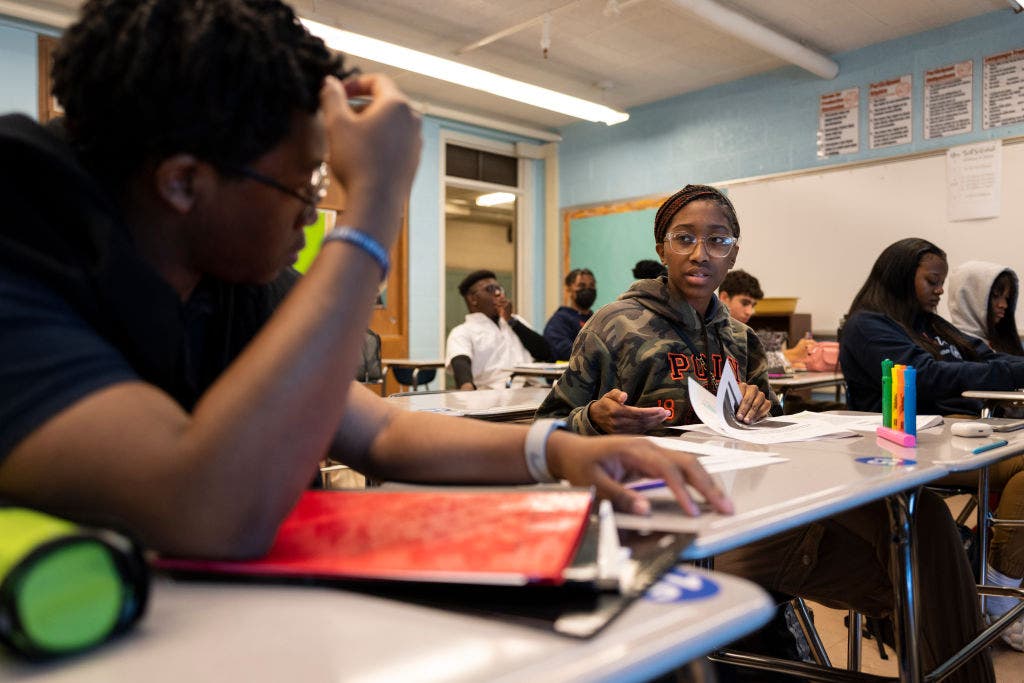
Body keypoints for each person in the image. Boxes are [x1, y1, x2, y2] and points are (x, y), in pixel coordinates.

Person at [0, 0, 733, 564]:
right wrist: (373, 207)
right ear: (184, 183)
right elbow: (204, 509)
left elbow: (373, 427)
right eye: (304, 182)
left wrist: (558, 450)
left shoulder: (225, 269)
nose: (311, 211)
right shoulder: (17, 236)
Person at [537, 187, 994, 680]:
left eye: (717, 240)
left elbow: (765, 423)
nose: (700, 253)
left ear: (734, 252)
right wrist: (596, 420)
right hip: (675, 529)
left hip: (757, 510)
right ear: (661, 247)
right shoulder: (615, 326)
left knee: (919, 523)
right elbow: (546, 431)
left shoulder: (739, 336)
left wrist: (763, 406)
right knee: (913, 575)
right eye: (684, 238)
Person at [840, 239, 1024, 649]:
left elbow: (981, 358)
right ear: (902, 278)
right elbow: (928, 375)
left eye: (941, 282)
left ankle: (1000, 582)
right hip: (904, 447)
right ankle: (1000, 594)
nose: (940, 290)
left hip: (949, 436)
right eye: (932, 281)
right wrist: (1005, 373)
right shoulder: (867, 326)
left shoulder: (928, 324)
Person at [446, 269, 552, 390]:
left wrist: (511, 321)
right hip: (491, 396)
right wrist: (467, 400)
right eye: (490, 289)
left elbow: (544, 352)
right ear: (473, 299)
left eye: (499, 289)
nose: (498, 294)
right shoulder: (462, 332)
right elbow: (462, 372)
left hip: (531, 389)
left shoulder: (515, 322)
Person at [719, 269, 816, 370]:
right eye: (745, 303)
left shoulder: (743, 333)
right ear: (724, 297)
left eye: (753, 305)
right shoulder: (710, 328)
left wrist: (789, 363)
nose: (750, 311)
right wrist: (793, 355)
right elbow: (741, 363)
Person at [949, 261, 1024, 356]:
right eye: (995, 296)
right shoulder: (951, 348)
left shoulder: (1002, 341)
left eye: (1007, 298)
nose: (1004, 305)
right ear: (969, 297)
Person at [543, 268, 596, 361]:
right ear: (568, 289)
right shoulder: (559, 321)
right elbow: (567, 352)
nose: (587, 290)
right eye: (581, 285)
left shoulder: (597, 319)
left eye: (591, 286)